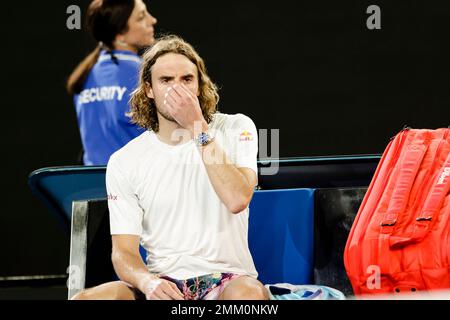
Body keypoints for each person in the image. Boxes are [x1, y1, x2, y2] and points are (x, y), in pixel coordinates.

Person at [71, 35, 269, 300]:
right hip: (163, 284)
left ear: (199, 86)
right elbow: (123, 252)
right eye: (166, 80)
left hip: (226, 281)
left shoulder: (236, 128)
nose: (179, 89)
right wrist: (147, 282)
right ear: (149, 89)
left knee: (249, 296)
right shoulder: (124, 160)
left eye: (187, 79)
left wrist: (197, 127)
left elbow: (237, 198)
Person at [67, 0, 158, 165]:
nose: (152, 20)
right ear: (120, 33)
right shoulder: (146, 74)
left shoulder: (85, 75)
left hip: (93, 185)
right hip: (135, 185)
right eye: (141, 17)